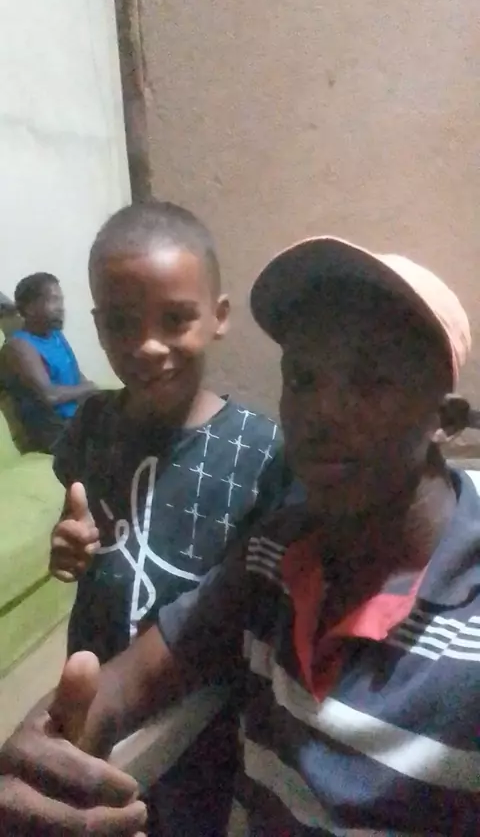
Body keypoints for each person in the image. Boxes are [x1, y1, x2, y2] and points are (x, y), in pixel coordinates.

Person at [2, 236, 480, 836]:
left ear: (445, 420)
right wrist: (42, 752)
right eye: (302, 379)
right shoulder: (272, 554)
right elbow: (132, 680)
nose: (322, 412)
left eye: (371, 382)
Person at [48, 200, 286, 835]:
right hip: (98, 683)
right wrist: (67, 545)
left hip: (206, 706)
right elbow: (80, 525)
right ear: (98, 327)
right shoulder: (92, 426)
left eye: (176, 319)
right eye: (122, 324)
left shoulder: (261, 450)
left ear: (218, 317)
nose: (148, 346)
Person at [0, 273, 96, 452]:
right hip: (53, 434)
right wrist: (89, 388)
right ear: (29, 308)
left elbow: (77, 376)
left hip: (76, 421)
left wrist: (93, 393)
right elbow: (50, 396)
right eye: (53, 300)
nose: (61, 308)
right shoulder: (19, 347)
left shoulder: (56, 336)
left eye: (61, 300)